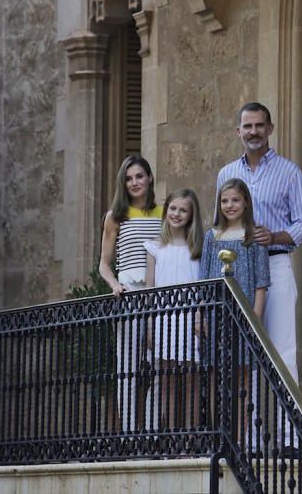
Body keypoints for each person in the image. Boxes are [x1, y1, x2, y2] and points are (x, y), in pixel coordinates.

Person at [217, 102, 302, 450]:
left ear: (270, 129)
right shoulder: (226, 174)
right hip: (239, 270)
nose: (253, 132)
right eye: (247, 126)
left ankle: (289, 439)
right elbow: (220, 223)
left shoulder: (289, 172)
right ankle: (252, 439)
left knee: (284, 351)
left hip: (275, 263)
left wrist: (275, 236)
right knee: (246, 355)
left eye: (259, 125)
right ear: (238, 131)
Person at [200, 178, 270, 436]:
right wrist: (200, 315)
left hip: (244, 314)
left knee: (241, 379)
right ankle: (219, 434)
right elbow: (204, 279)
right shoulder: (212, 237)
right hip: (216, 314)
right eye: (225, 200)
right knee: (216, 376)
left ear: (246, 203)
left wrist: (256, 319)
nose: (229, 205)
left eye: (235, 200)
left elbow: (262, 282)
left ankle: (240, 437)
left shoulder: (254, 236)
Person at [99, 154, 163, 432]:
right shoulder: (115, 217)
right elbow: (103, 264)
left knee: (162, 365)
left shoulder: (165, 212)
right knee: (128, 368)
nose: (134, 182)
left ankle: (149, 433)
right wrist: (114, 285)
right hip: (129, 295)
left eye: (139, 176)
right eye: (128, 178)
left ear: (149, 178)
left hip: (162, 296)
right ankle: (128, 434)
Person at [143, 189, 203, 429]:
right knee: (165, 380)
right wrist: (149, 324)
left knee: (192, 380)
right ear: (166, 210)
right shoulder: (155, 248)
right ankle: (169, 436)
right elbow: (149, 288)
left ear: (191, 215)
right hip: (163, 320)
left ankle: (192, 435)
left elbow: (201, 287)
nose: (177, 214)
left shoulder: (197, 249)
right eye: (173, 208)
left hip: (190, 319)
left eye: (183, 210)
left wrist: (200, 316)